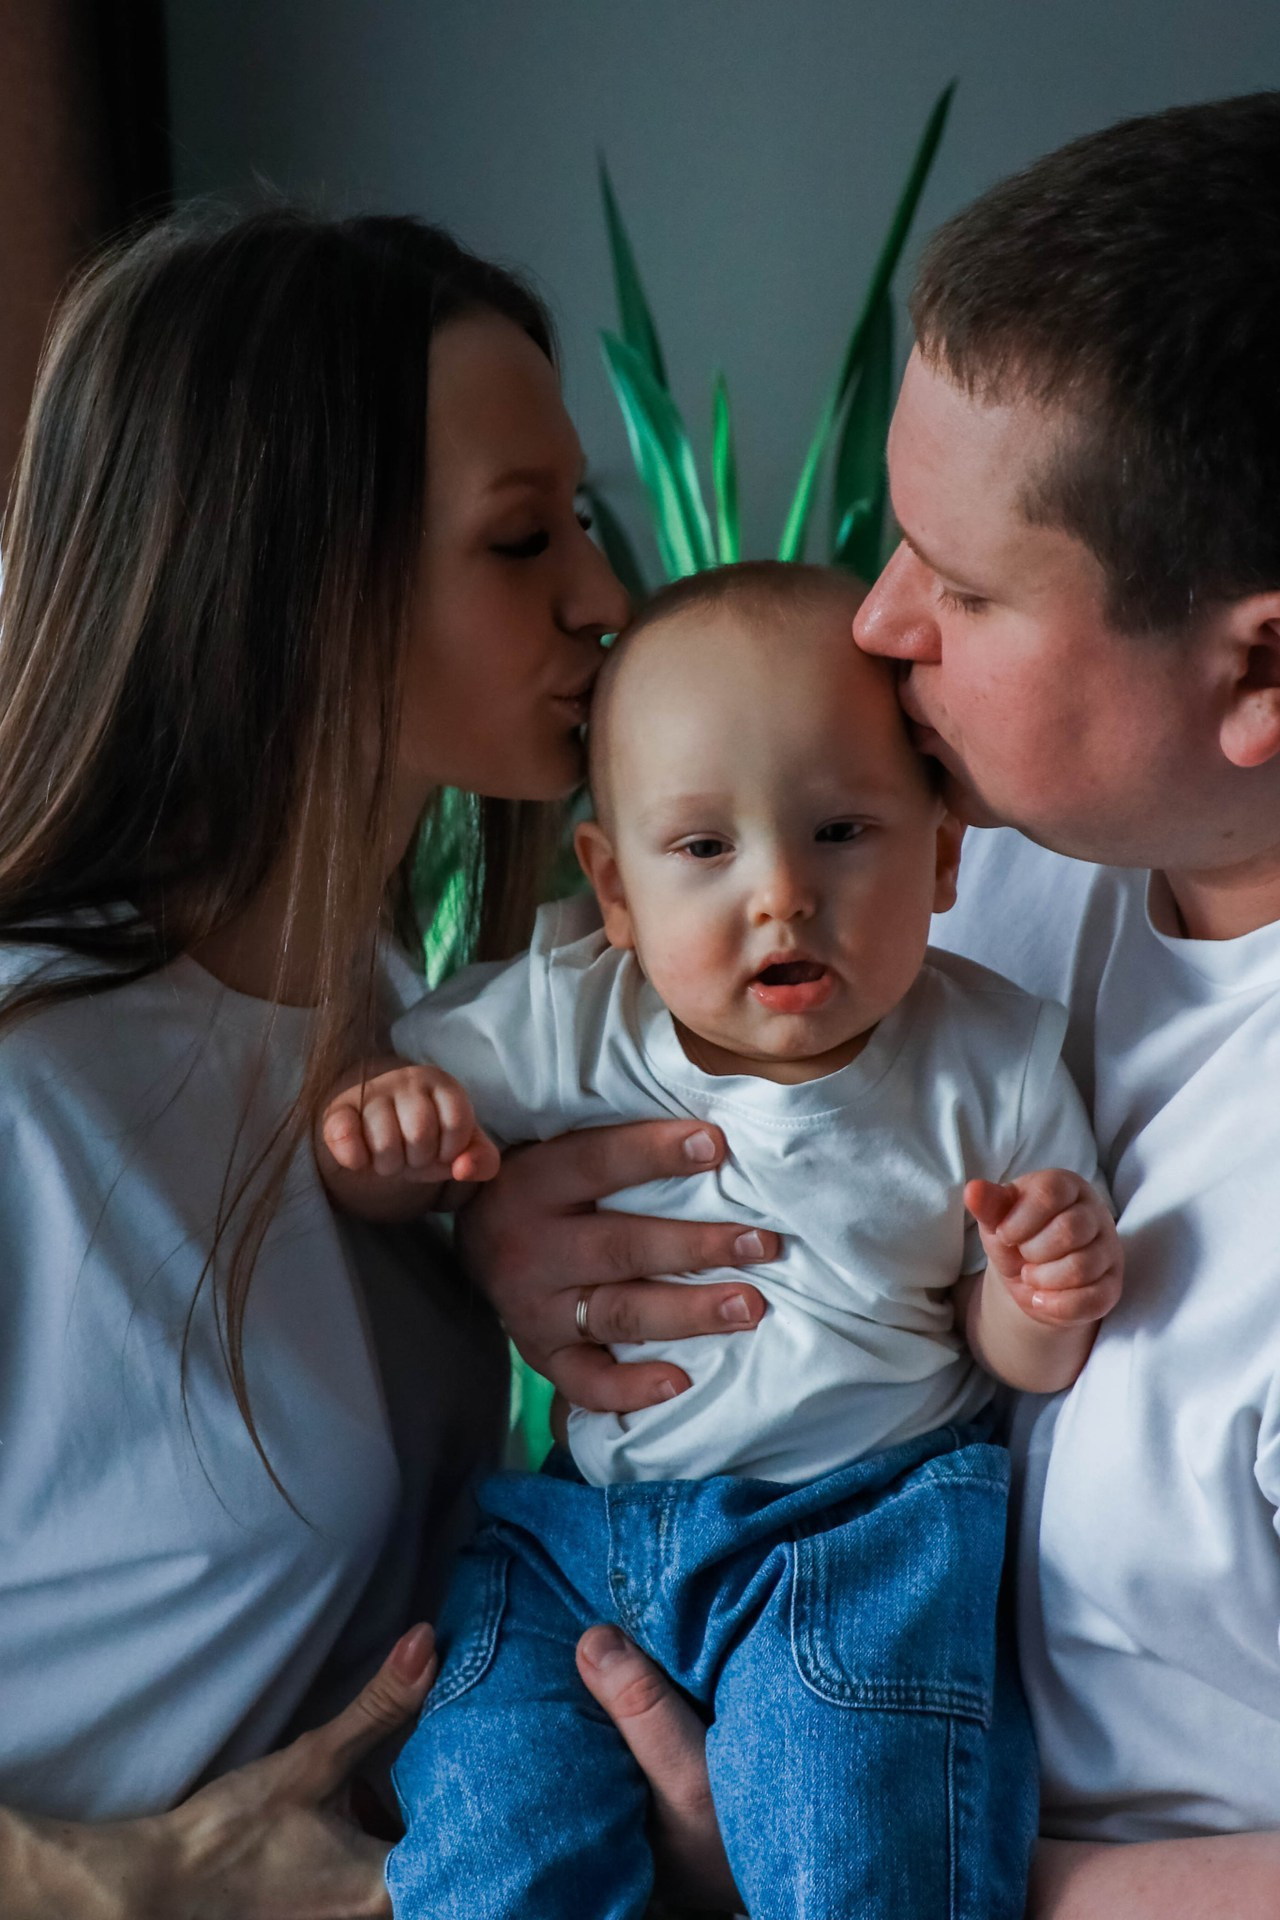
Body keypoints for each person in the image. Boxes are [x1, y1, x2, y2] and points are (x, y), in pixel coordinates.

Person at [530, 89, 1280, 1920]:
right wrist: (529, 1240)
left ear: (1258, 661)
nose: (872, 625)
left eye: (956, 585)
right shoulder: (982, 861)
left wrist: (896, 1875)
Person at [0, 206, 778, 1920]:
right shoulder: (24, 1077)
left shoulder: (413, 1023)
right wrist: (94, 1882)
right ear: (284, 570)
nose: (604, 595)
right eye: (520, 542)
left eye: (578, 519)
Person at [317, 562, 1122, 1918]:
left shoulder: (988, 1061)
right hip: (580, 1544)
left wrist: (1041, 1287)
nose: (781, 895)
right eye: (704, 849)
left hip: (859, 1527)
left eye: (844, 832)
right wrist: (394, 1140)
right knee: (484, 1817)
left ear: (942, 851)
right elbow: (406, 1149)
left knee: (853, 1832)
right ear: (614, 887)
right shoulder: (573, 1016)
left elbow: (1020, 1361)